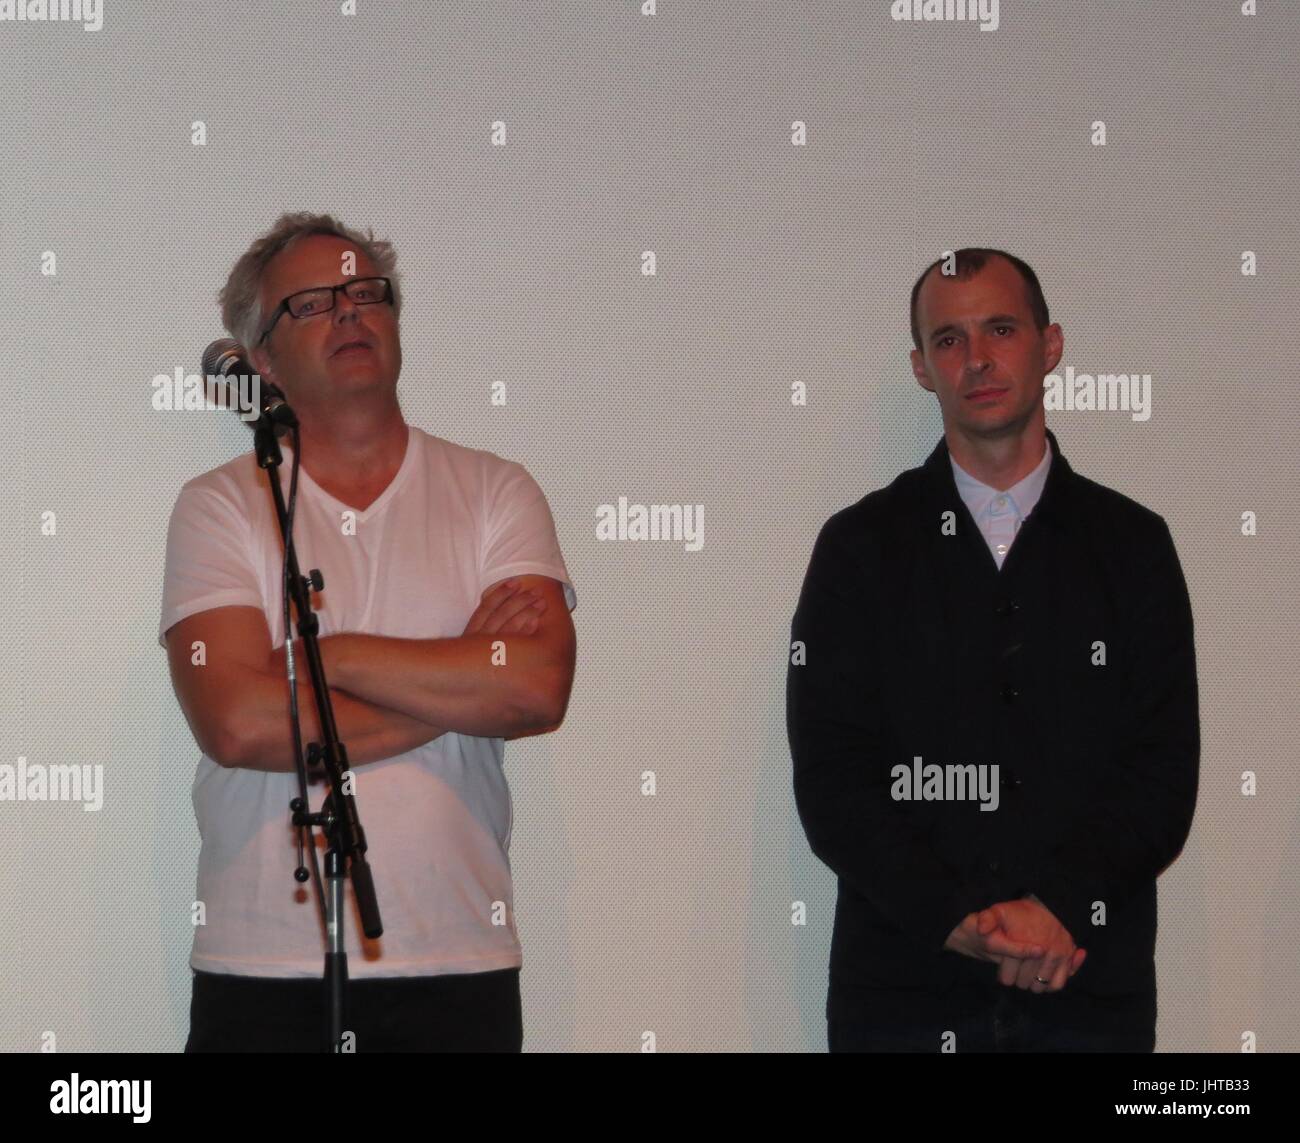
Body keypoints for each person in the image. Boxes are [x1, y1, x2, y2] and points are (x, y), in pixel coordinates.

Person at [160, 212, 577, 1052]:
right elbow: (238, 723)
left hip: (457, 958)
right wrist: (458, 684)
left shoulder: (496, 490)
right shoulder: (218, 506)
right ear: (263, 360)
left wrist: (325, 658)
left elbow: (534, 687)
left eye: (365, 292)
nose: (350, 311)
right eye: (313, 303)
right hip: (263, 964)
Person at [787, 248, 1199, 1053]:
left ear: (1049, 345)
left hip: (1089, 997)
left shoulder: (1134, 547)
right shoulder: (859, 549)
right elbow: (834, 780)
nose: (976, 358)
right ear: (920, 367)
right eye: (948, 339)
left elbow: (1161, 775)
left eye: (1001, 329)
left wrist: (1058, 909)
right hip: (902, 1001)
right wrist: (954, 917)